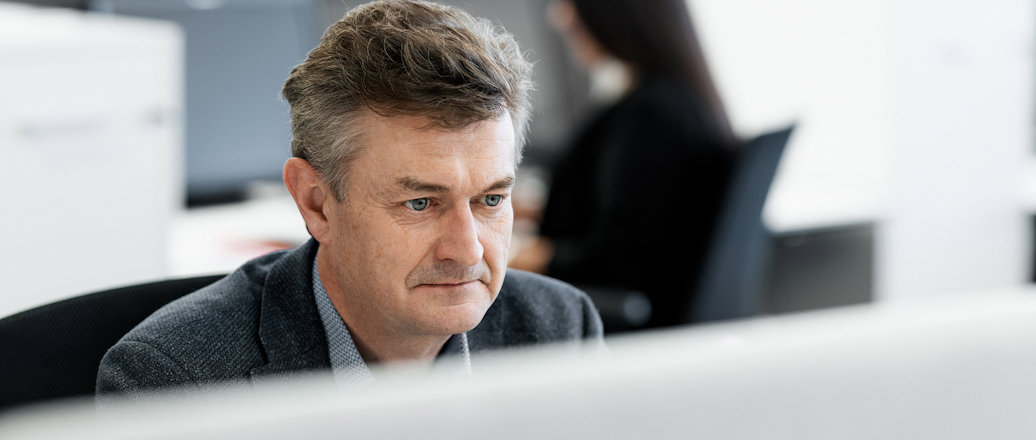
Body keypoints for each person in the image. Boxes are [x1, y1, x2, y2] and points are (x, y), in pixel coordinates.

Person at [97, 0, 603, 396]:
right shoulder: (176, 382)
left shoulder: (559, 330)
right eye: (420, 203)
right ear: (316, 203)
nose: (468, 250)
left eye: (490, 200)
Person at [511, 0, 737, 330]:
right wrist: (526, 210)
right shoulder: (676, 101)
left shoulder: (652, 117)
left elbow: (618, 259)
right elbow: (640, 216)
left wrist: (511, 258)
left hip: (624, 317)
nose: (560, 16)